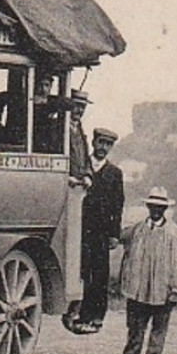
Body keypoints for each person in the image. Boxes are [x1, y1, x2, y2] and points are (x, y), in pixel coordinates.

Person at [113, 187, 177, 354]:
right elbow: (118, 238)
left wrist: (175, 288)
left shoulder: (173, 232)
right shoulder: (137, 229)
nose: (156, 210)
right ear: (148, 207)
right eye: (153, 206)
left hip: (162, 289)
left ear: (165, 209)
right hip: (138, 288)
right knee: (134, 326)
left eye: (160, 207)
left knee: (159, 327)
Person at [63, 127, 125, 334]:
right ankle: (75, 311)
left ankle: (96, 316)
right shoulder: (82, 167)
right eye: (101, 143)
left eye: (108, 144)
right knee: (79, 269)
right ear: (93, 142)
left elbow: (117, 205)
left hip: (101, 232)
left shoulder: (115, 173)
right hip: (80, 228)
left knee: (99, 273)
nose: (103, 148)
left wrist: (114, 234)